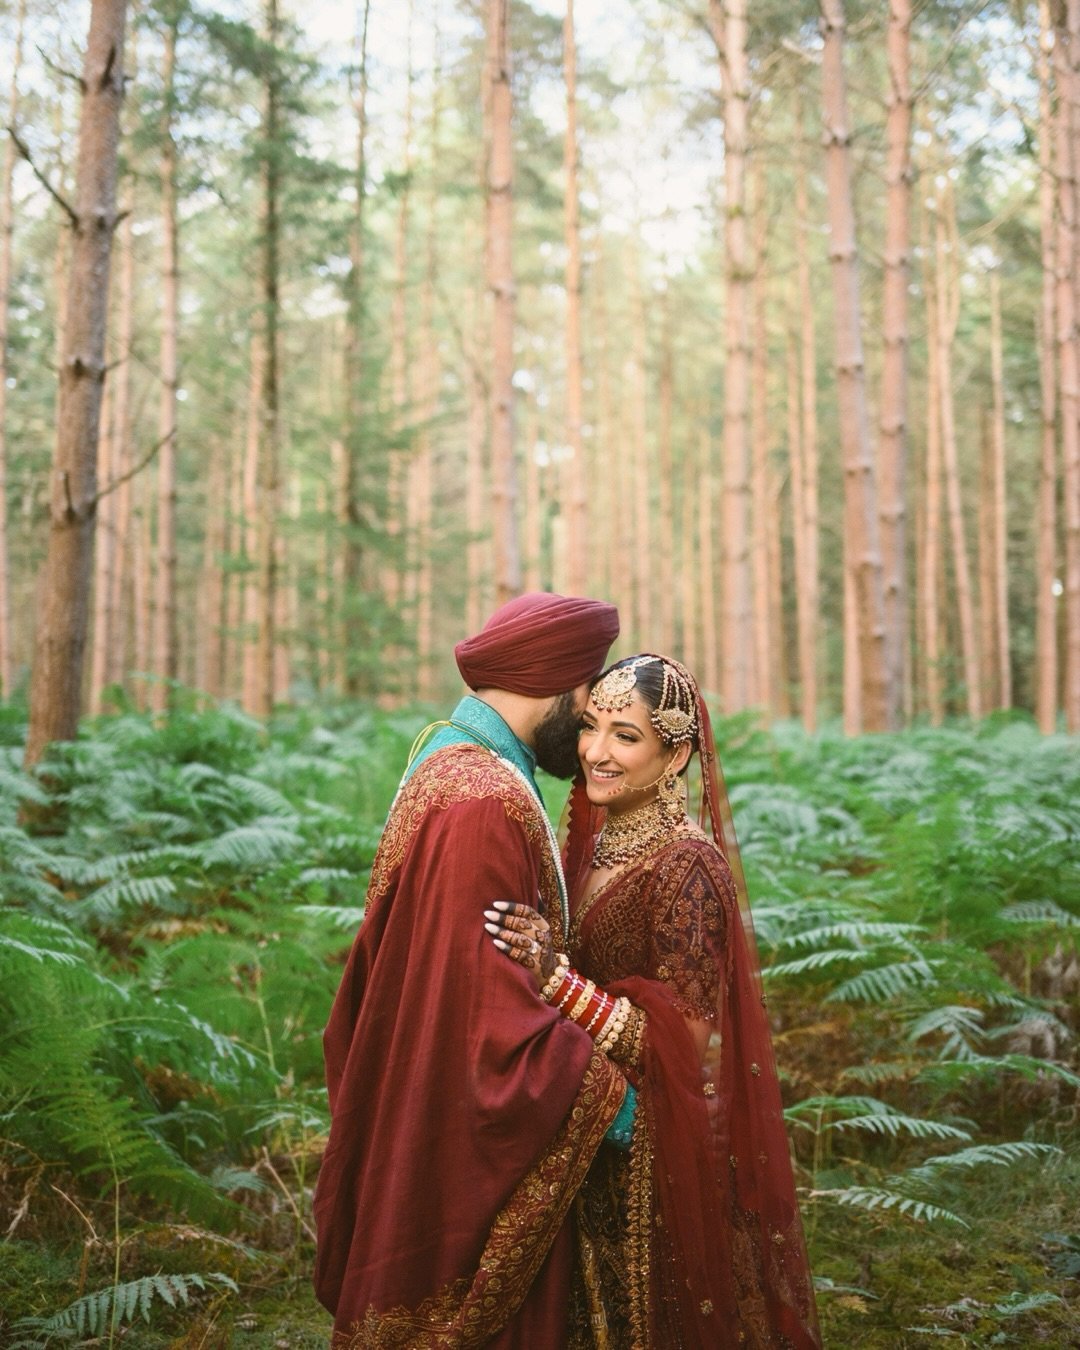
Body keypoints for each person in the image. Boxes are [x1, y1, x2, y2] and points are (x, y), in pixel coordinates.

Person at [312, 592, 628, 1348]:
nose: (588, 730)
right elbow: (487, 1034)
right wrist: (628, 1101)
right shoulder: (481, 804)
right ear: (555, 681)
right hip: (455, 1164)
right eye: (589, 701)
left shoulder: (450, 762)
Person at [487, 654, 821, 1347]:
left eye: (625, 737)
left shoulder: (688, 867)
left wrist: (554, 979)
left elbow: (678, 1047)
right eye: (589, 727)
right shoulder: (594, 838)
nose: (595, 754)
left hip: (645, 1157)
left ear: (676, 757)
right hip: (578, 1126)